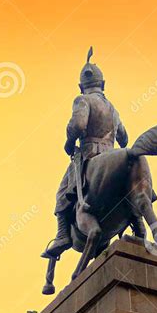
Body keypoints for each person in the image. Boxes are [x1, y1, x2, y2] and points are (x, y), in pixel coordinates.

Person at [41, 48, 128, 259]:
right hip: (113, 154)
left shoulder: (82, 100)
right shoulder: (113, 108)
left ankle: (62, 236)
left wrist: (69, 142)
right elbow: (124, 138)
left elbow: (78, 124)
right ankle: (138, 222)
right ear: (103, 84)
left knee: (61, 194)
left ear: (81, 86)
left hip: (88, 155)